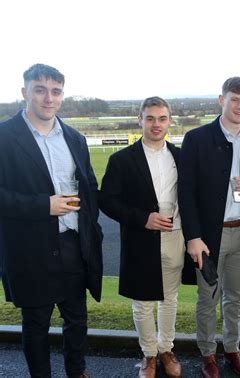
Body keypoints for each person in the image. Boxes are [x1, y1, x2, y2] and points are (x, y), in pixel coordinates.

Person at [0, 63, 103, 378]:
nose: (48, 98)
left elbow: (89, 187)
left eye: (55, 91)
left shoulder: (74, 137)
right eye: (40, 90)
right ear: (24, 92)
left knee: (77, 320)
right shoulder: (4, 136)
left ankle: (77, 372)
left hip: (73, 246)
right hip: (31, 250)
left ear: (62, 95)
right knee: (36, 325)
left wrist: (89, 227)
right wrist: (42, 206)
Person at [178, 77, 240, 378]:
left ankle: (232, 348)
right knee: (207, 297)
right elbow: (185, 193)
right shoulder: (197, 138)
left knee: (235, 296)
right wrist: (193, 237)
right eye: (235, 99)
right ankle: (208, 355)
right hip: (208, 236)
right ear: (221, 100)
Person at [99, 97, 185, 378]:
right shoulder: (121, 159)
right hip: (140, 239)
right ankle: (148, 354)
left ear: (169, 121)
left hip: (174, 238)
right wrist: (142, 219)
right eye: (150, 118)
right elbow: (107, 202)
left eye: (161, 118)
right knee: (143, 303)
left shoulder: (180, 157)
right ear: (140, 120)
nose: (156, 124)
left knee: (170, 298)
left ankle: (166, 348)